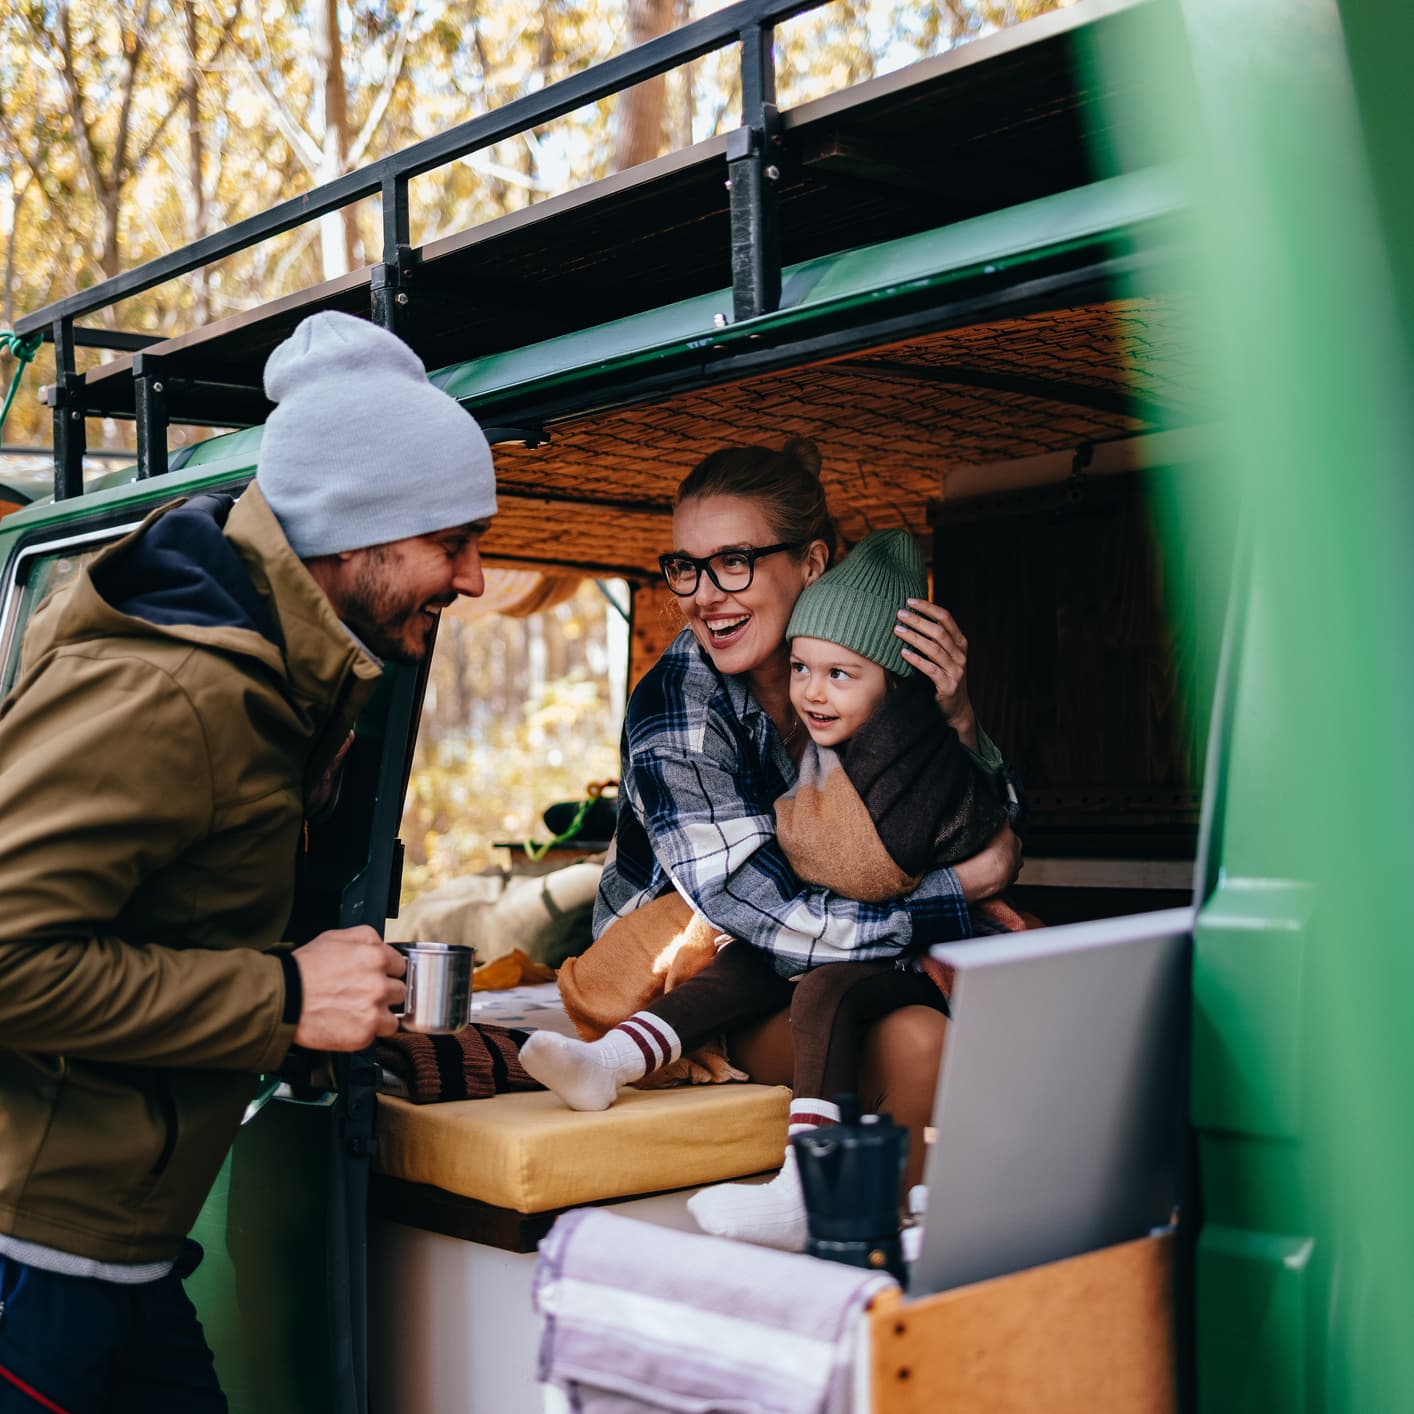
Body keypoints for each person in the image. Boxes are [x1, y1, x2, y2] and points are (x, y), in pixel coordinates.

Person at [0, 310, 496, 1412]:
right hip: (27, 1267)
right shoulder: (172, 687)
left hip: (123, 1261)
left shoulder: (284, 678)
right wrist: (280, 995)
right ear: (363, 533)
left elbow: (162, 916)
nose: (474, 579)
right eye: (453, 541)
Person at [523, 524, 1025, 1248]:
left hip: (906, 951)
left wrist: (959, 727)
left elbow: (877, 864)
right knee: (749, 960)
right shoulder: (810, 732)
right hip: (837, 934)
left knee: (830, 995)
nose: (813, 693)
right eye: (802, 669)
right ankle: (613, 1060)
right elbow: (775, 893)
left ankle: (808, 1188)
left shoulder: (907, 753)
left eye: (839, 675)